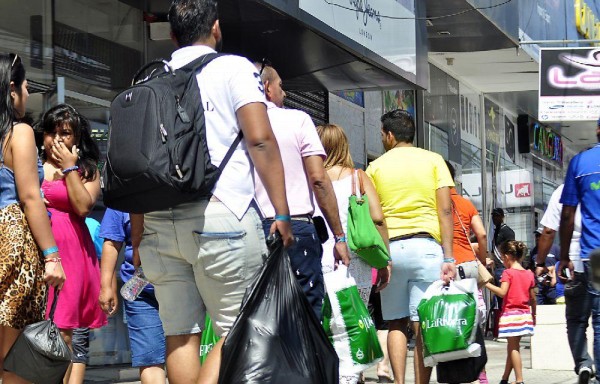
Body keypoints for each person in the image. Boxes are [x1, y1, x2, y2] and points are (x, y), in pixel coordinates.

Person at [134, 2, 293, 384]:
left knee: (180, 335)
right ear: (216, 29)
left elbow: (137, 168)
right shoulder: (234, 68)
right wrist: (283, 213)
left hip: (159, 222)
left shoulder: (149, 79)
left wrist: (139, 237)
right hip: (222, 215)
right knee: (238, 328)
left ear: (171, 35)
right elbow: (259, 140)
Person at [365, 109, 456, 384]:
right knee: (423, 322)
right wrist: (449, 256)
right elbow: (446, 211)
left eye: (382, 134)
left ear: (390, 136)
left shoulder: (375, 167)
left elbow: (373, 215)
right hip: (427, 248)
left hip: (392, 250)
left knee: (395, 321)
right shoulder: (434, 160)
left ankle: (399, 382)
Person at [253, 65, 350, 320]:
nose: (284, 94)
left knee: (260, 315)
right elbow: (319, 179)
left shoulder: (235, 127)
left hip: (250, 231)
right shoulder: (297, 120)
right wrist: (339, 238)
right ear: (268, 87)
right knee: (306, 315)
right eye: (281, 86)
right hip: (296, 228)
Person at [0, 52, 66, 384]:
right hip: (12, 247)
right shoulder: (19, 133)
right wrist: (52, 256)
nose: (27, 94)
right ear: (11, 90)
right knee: (14, 359)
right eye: (26, 87)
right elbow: (30, 198)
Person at [316, 123, 390, 384]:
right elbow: (378, 219)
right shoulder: (358, 177)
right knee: (353, 324)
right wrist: (384, 261)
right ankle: (353, 376)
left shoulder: (310, 178)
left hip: (318, 262)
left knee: (325, 326)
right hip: (354, 264)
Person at [40, 103, 107, 382]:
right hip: (36, 254)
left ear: (77, 137)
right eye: (51, 132)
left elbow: (82, 206)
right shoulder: (31, 163)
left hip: (72, 258)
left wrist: (69, 168)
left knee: (64, 334)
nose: (57, 139)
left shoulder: (87, 170)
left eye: (65, 133)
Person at [98, 208, 166, 384]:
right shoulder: (122, 192)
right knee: (150, 359)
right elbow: (112, 242)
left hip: (181, 285)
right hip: (141, 292)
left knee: (181, 349)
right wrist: (106, 286)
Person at [534, 183, 589, 381]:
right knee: (599, 319)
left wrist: (540, 262)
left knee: (575, 319)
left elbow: (548, 231)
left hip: (573, 260)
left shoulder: (563, 190)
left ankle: (583, 363)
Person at [559, 123, 600, 384]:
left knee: (593, 319)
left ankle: (587, 366)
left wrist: (564, 256)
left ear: (598, 130)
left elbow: (567, 214)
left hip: (594, 253)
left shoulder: (581, 163)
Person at [445, 160, 489, 384]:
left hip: (447, 268)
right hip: (469, 267)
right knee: (473, 322)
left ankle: (454, 375)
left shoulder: (434, 204)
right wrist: (481, 259)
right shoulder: (465, 203)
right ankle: (480, 374)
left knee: (451, 320)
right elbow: (481, 235)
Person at [485, 240, 536, 384]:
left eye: (502, 257)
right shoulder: (528, 274)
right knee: (512, 347)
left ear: (507, 256)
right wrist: (534, 315)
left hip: (511, 315)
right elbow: (533, 298)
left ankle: (519, 380)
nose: (502, 260)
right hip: (524, 314)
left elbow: (502, 292)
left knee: (513, 348)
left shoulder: (508, 273)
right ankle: (505, 378)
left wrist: (486, 284)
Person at [530, 228, 560, 304]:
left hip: (552, 286)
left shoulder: (555, 249)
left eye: (540, 236)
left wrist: (555, 277)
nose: (537, 238)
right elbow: (531, 267)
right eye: (536, 236)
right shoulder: (533, 251)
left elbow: (562, 264)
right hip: (539, 286)